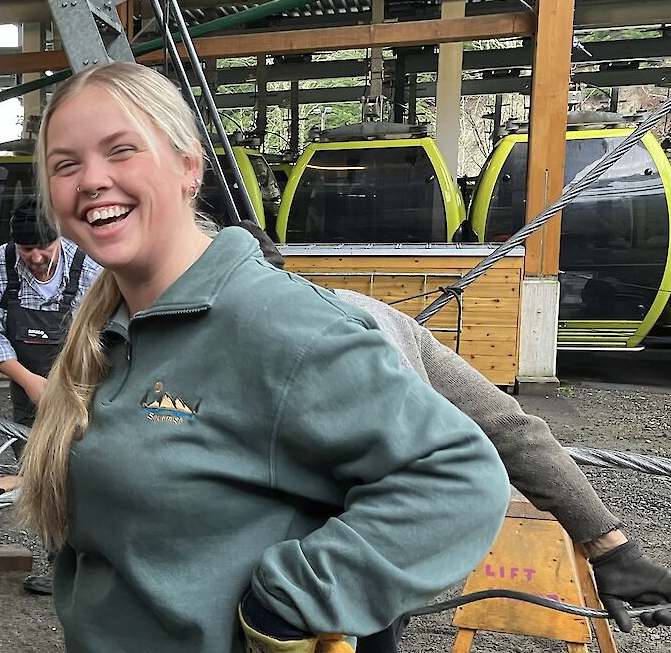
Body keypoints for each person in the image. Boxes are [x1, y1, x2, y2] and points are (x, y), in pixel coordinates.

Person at [18, 61, 512, 653]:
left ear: (188, 167)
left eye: (121, 151)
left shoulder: (276, 323)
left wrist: (287, 603)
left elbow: (459, 477)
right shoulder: (108, 327)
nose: (92, 179)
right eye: (65, 164)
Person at [231, 219, 671, 642]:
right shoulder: (372, 312)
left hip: (319, 562)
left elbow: (505, 435)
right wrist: (614, 550)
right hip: (369, 558)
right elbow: (513, 430)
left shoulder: (324, 327)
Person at [0, 197, 101, 594]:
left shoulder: (88, 266)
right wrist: (29, 380)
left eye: (44, 248)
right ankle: (58, 568)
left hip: (82, 387)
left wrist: (67, 387)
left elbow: (101, 334)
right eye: (27, 250)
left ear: (58, 238)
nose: (37, 257)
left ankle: (95, 569)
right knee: (39, 477)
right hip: (28, 389)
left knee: (86, 475)